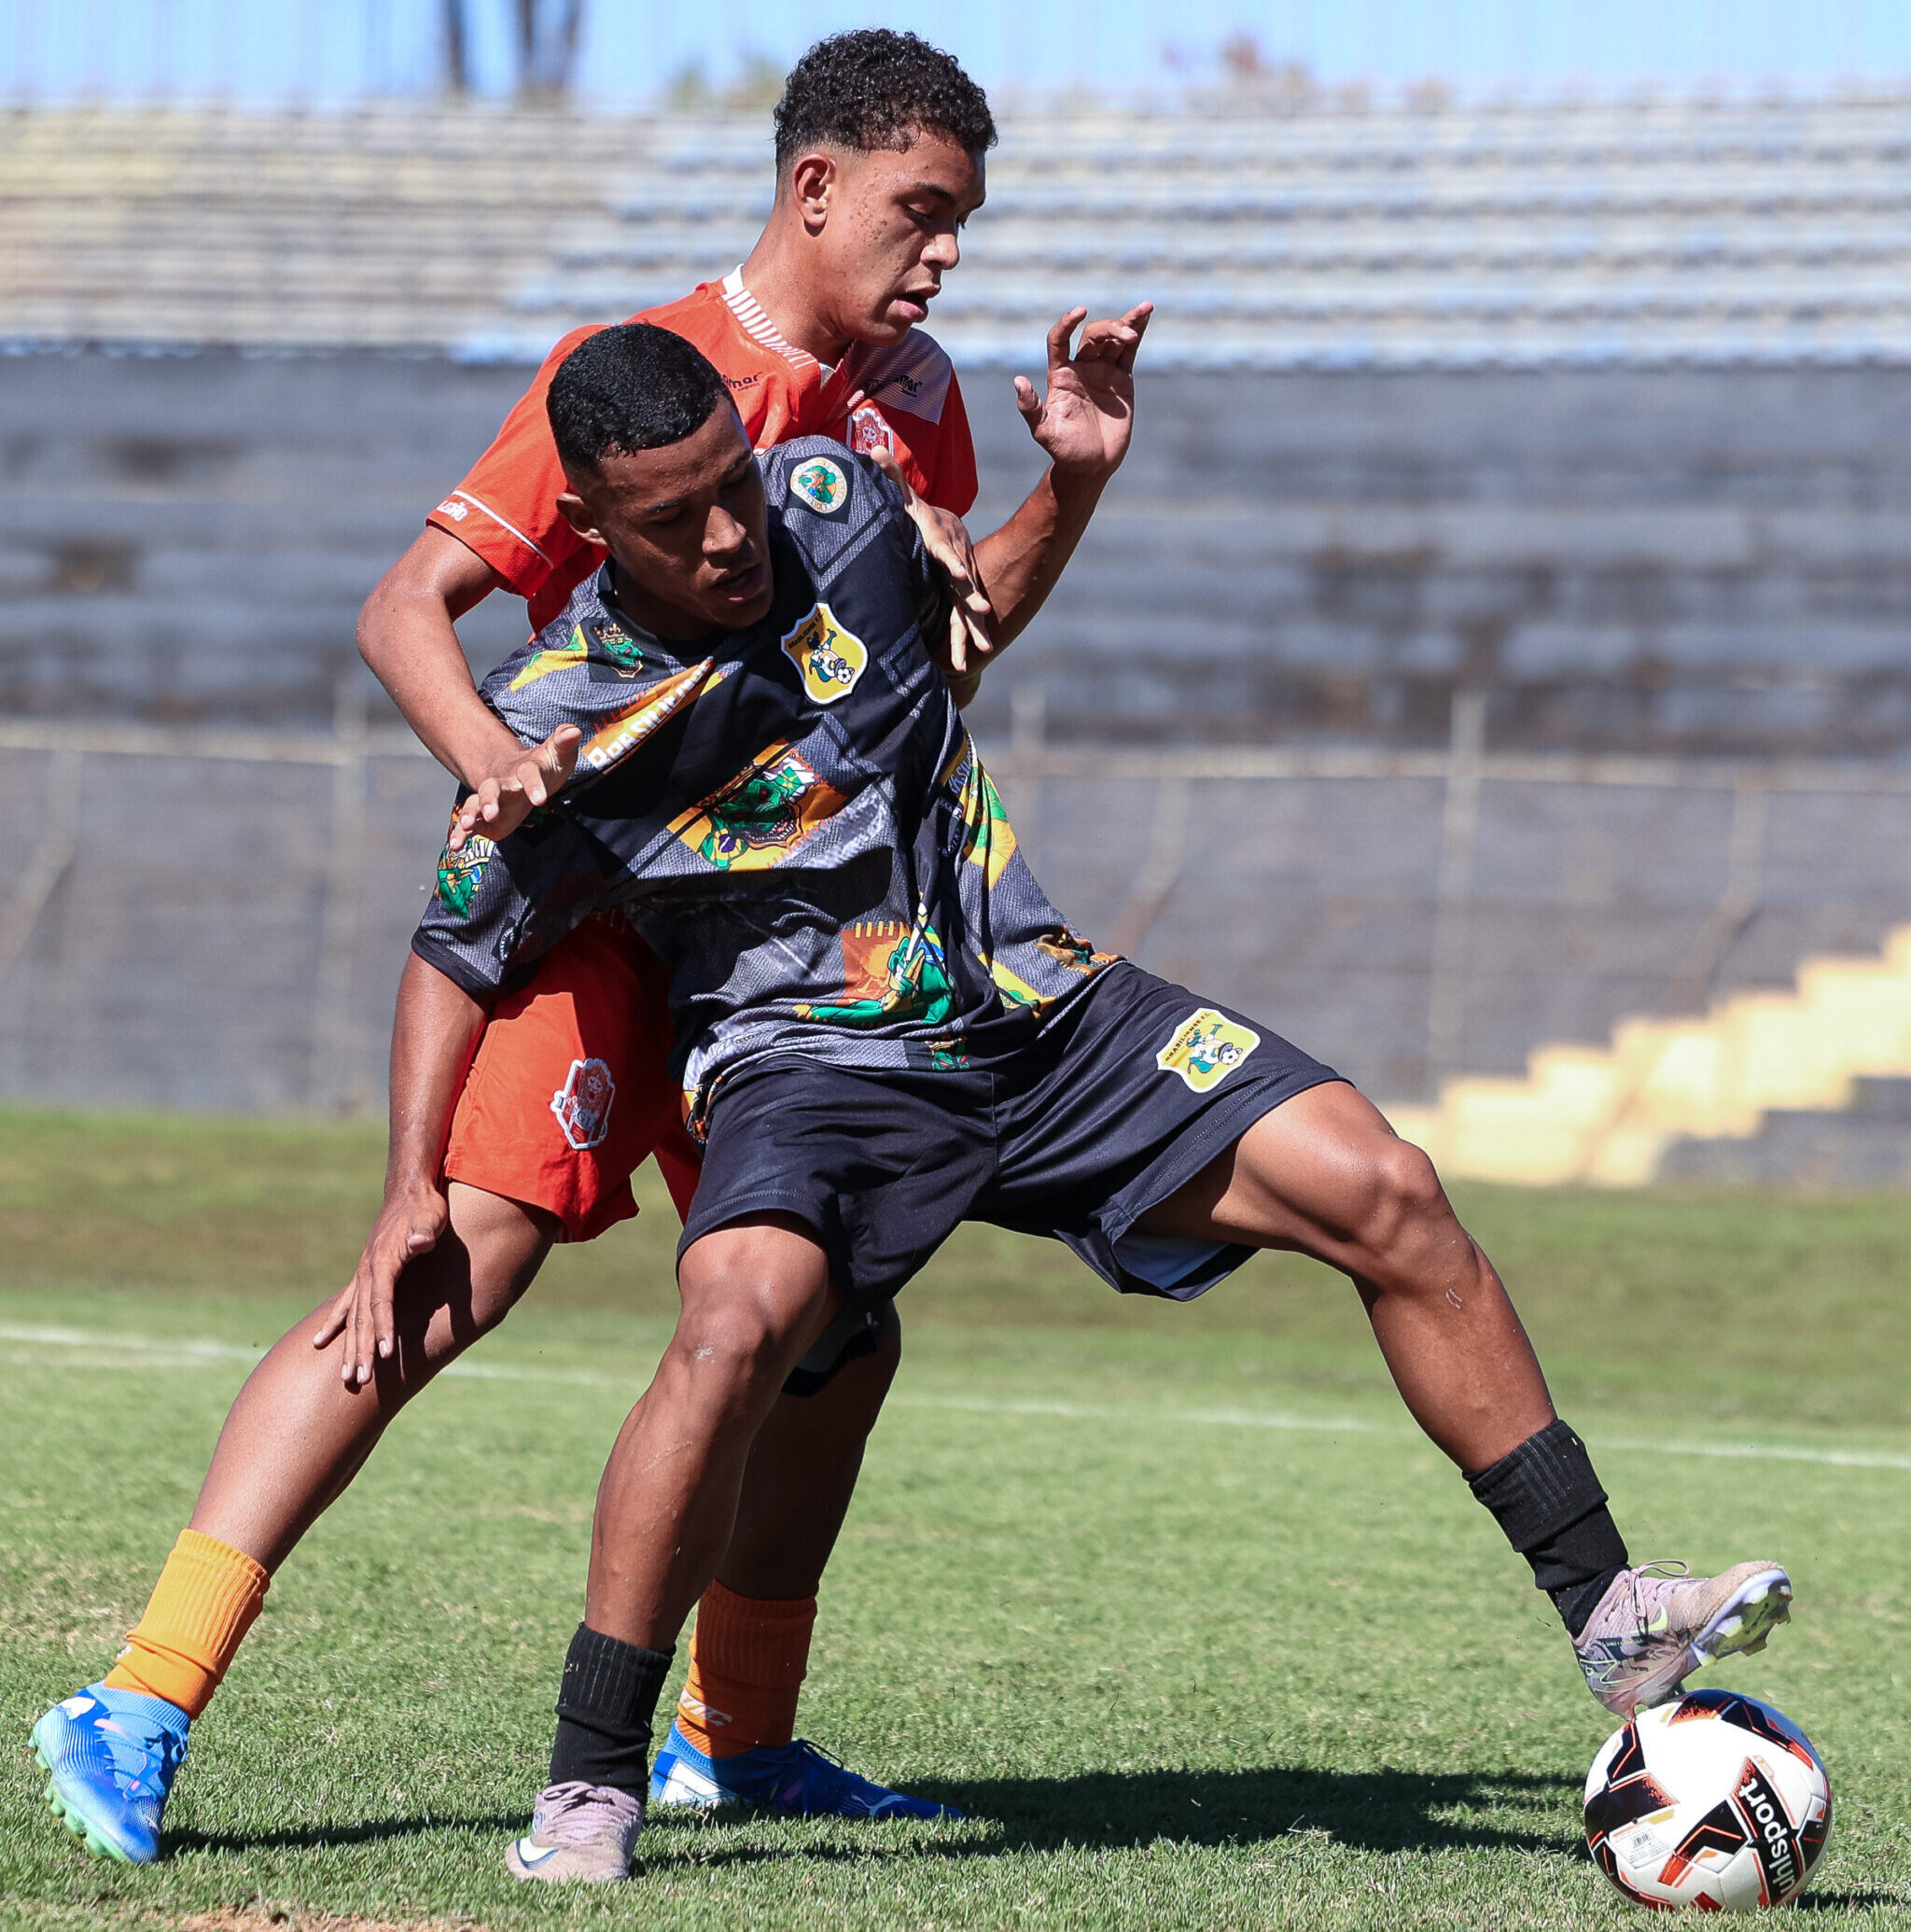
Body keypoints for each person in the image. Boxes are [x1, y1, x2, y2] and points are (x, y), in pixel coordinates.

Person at [375, 326, 1789, 1883]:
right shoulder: (556, 715)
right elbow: (452, 952)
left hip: (1036, 1003)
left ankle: (1614, 1614)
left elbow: (969, 620)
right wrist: (407, 1193)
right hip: (811, 1068)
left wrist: (1072, 486)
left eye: (730, 483)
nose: (727, 533)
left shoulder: (831, 494)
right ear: (587, 523)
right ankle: (590, 1787)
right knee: (732, 1324)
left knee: (1384, 1183)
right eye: (674, 517)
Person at [27, 31, 1151, 1866]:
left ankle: (738, 1740)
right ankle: (139, 1698)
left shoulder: (915, 405)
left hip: (793, 949)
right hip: (611, 916)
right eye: (919, 214)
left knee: (829, 1333)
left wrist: (1072, 484)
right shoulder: (641, 382)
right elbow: (410, 606)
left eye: (959, 223)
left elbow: (943, 650)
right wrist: (499, 769)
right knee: (448, 1266)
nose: (942, 257)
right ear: (815, 188)